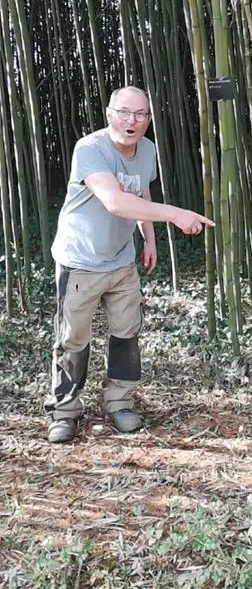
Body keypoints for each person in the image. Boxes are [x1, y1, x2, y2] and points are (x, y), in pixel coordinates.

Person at [45, 86, 214, 443]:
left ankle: (119, 402)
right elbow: (114, 201)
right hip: (81, 261)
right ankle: (64, 410)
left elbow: (140, 191)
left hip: (122, 261)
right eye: (124, 112)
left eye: (141, 114)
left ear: (149, 120)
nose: (132, 121)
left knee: (126, 334)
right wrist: (175, 214)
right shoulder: (90, 149)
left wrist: (149, 237)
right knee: (72, 339)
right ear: (109, 114)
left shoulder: (147, 149)